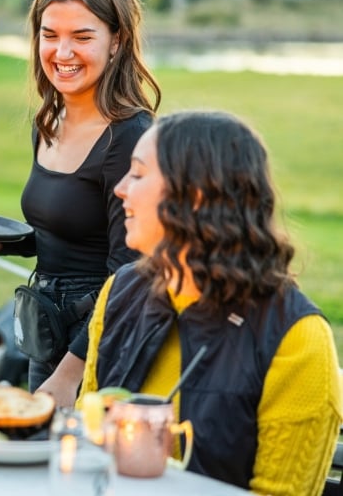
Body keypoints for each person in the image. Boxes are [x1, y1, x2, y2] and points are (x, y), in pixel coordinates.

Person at [79, 111, 342, 495]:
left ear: (197, 196)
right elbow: (89, 443)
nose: (120, 188)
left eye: (137, 173)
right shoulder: (120, 291)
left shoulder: (296, 338)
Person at [0, 0, 160, 402]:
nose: (62, 52)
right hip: (47, 326)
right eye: (50, 34)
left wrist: (68, 374)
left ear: (117, 41)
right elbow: (67, 235)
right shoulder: (48, 121)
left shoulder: (131, 137)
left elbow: (131, 276)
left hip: (100, 341)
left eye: (82, 36)